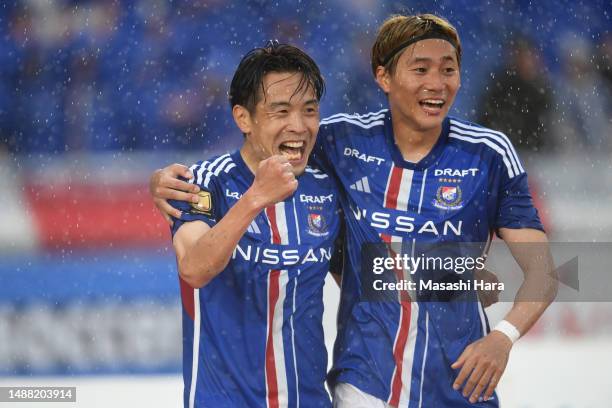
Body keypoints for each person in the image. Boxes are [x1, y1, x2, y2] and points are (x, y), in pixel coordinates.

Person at [151, 14, 557, 407]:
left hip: (449, 386)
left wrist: (478, 307)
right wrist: (167, 183)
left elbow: (367, 275)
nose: (298, 125)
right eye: (420, 70)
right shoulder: (322, 150)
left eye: (447, 70)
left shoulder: (484, 155)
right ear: (384, 77)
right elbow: (197, 265)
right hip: (355, 389)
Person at [164, 41, 342, 407]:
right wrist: (255, 198)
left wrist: (461, 276)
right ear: (243, 118)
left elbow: (364, 283)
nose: (299, 125)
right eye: (281, 111)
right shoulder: (204, 182)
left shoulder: (327, 188)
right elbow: (195, 268)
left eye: (309, 110)